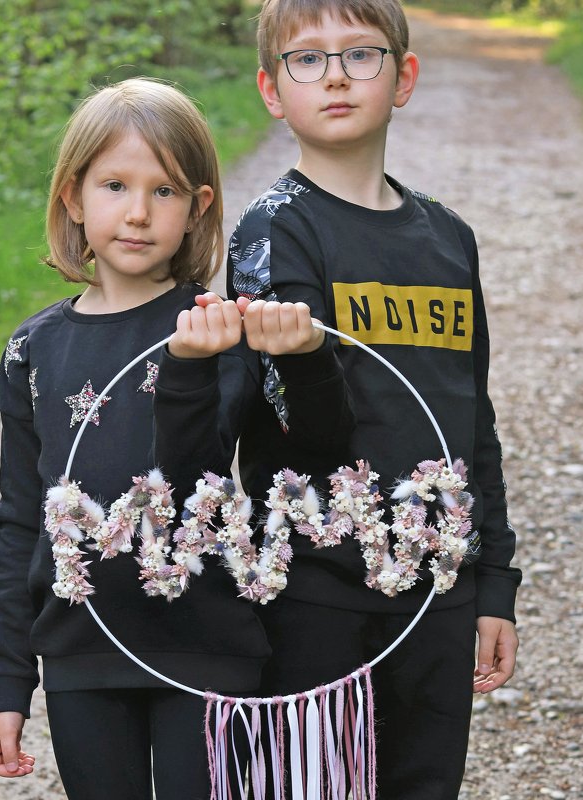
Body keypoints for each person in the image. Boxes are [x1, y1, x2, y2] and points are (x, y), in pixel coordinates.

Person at [220, 1, 523, 797]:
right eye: (307, 59)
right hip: (314, 593)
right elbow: (300, 428)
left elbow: (471, 419)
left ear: (403, 77)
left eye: (360, 55)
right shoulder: (273, 232)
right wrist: (307, 352)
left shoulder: (447, 238)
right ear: (270, 91)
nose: (336, 77)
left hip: (436, 588)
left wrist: (494, 579)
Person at [0, 77, 280, 800]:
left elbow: (193, 477)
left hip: (204, 645)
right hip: (82, 649)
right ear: (74, 197)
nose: (138, 212)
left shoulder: (218, 331)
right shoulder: (32, 350)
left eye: (165, 191)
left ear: (197, 207)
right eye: (115, 185)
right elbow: (24, 517)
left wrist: (193, 363)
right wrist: (9, 679)